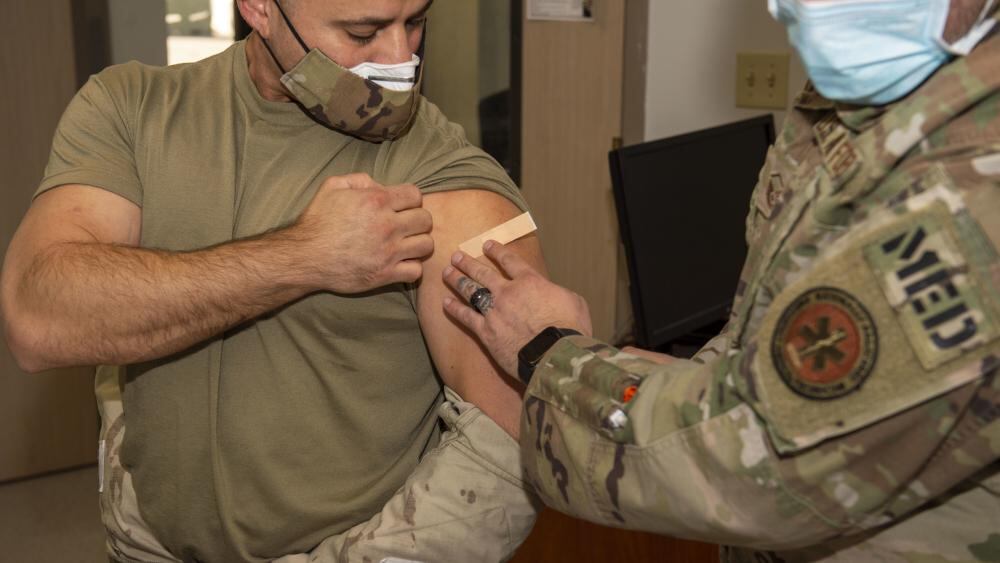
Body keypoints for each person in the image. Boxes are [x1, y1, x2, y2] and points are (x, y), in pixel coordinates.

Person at [440, 0, 1000, 560]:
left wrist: (549, 351)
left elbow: (754, 471)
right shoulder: (868, 84)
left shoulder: (974, 201)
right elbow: (768, 333)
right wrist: (666, 381)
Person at [0, 0, 541, 561]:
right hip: (145, 544)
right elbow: (37, 316)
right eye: (363, 32)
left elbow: (506, 450)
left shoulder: (451, 182)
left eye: (417, 21)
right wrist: (301, 256)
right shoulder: (133, 109)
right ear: (259, 7)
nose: (401, 59)